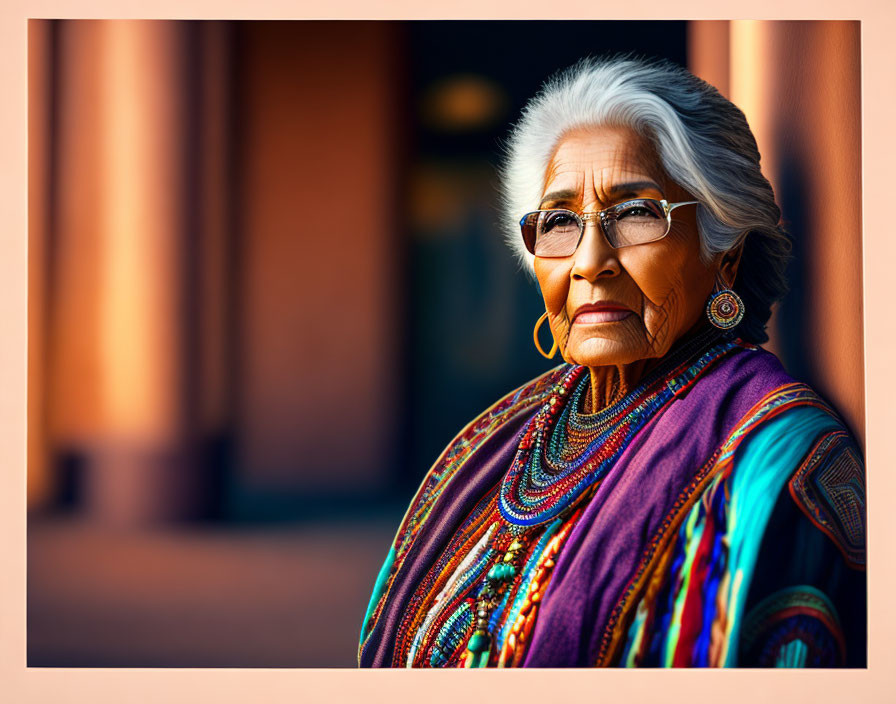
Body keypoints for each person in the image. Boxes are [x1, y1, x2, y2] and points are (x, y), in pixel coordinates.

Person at [358, 56, 866, 668]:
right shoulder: (499, 438)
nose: (589, 261)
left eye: (635, 213)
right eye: (560, 222)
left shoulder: (777, 461)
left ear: (724, 252)